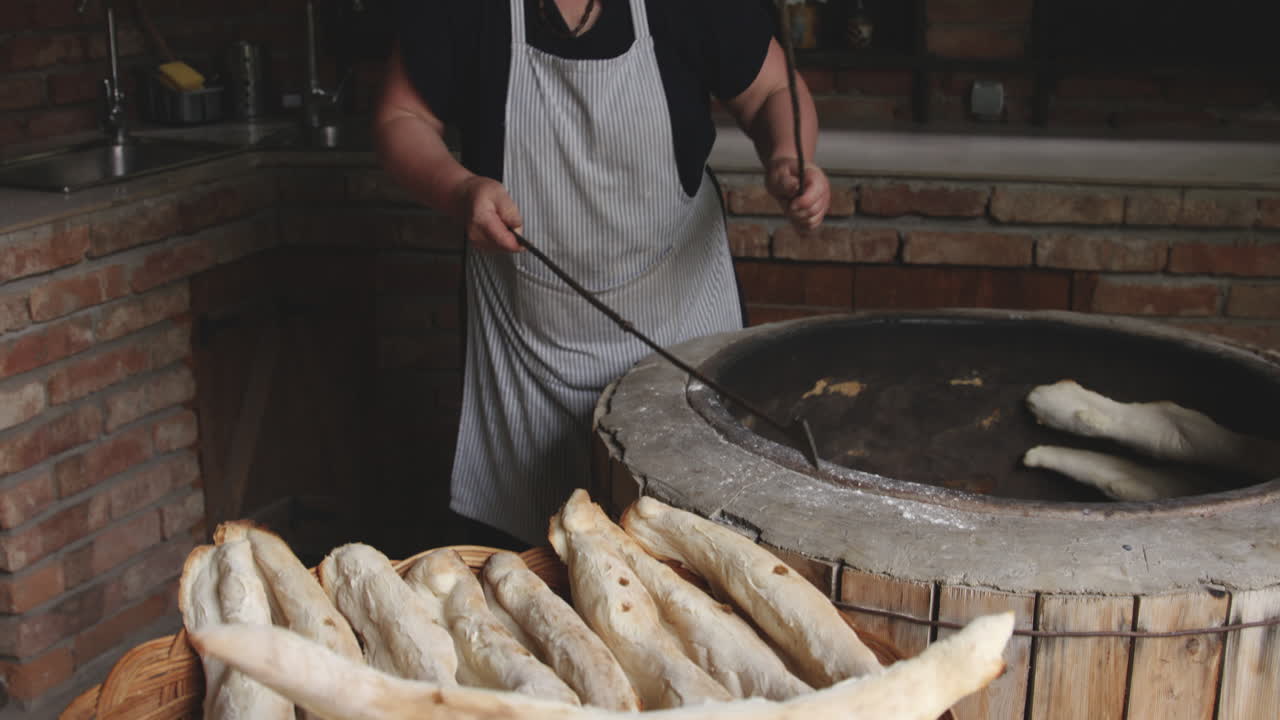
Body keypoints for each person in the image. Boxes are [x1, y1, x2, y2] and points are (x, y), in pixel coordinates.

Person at [376, 0, 830, 548]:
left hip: (681, 319)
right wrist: (459, 190)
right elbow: (403, 118)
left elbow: (772, 90)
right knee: (527, 568)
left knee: (691, 552)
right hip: (527, 345)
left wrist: (788, 155)